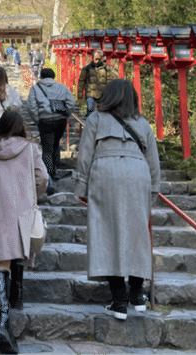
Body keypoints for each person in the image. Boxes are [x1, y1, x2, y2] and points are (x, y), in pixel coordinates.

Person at [74, 79, 160, 321]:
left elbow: (85, 155)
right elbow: (153, 160)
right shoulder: (143, 124)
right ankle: (137, 294)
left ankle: (119, 300)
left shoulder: (95, 119)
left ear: (108, 96)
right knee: (137, 233)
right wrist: (153, 190)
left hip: (105, 173)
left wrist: (82, 185)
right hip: (138, 174)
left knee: (107, 233)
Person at [0, 110, 49, 354]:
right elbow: (43, 177)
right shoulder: (30, 148)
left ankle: (3, 321)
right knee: (18, 249)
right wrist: (33, 191)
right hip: (21, 208)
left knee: (1, 261)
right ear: (21, 127)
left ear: (1, 127)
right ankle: (15, 300)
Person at [26, 68, 75, 193]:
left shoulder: (36, 88)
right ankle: (55, 169)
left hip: (45, 120)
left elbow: (31, 106)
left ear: (41, 76)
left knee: (47, 148)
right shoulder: (62, 87)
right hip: (60, 120)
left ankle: (48, 173)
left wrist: (38, 119)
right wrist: (66, 114)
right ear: (53, 76)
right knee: (55, 144)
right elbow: (71, 102)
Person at [77, 49, 118, 117]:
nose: (97, 61)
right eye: (96, 59)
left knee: (102, 112)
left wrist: (110, 94)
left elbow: (110, 81)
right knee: (90, 110)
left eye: (99, 59)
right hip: (90, 93)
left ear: (101, 58)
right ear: (93, 58)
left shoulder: (106, 68)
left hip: (102, 94)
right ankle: (90, 125)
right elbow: (81, 82)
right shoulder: (86, 68)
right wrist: (80, 96)